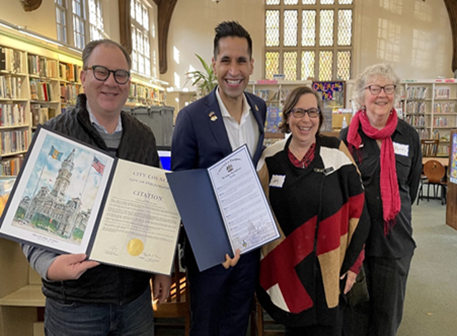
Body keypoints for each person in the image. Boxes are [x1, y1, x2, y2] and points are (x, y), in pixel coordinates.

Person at [22, 39, 171, 336]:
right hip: (74, 304)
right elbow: (25, 217)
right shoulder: (54, 135)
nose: (111, 83)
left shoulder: (142, 136)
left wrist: (161, 265)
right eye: (101, 72)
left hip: (133, 301)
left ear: (128, 82)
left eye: (120, 74)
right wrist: (50, 267)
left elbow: (155, 208)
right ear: (83, 76)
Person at [171, 21, 266, 336]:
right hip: (210, 254)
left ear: (252, 65)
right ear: (214, 64)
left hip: (249, 246)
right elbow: (185, 188)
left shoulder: (259, 109)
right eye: (226, 60)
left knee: (239, 322)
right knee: (207, 326)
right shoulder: (192, 117)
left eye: (241, 60)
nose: (233, 69)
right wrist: (215, 246)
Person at [256, 86, 370, 336]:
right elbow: (254, 209)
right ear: (286, 117)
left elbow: (359, 212)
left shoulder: (336, 153)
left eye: (312, 112)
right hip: (289, 277)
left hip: (330, 274)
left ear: (320, 117)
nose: (305, 119)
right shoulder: (271, 158)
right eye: (298, 112)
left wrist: (353, 265)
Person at [340, 63, 422, 336]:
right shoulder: (347, 138)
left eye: (388, 88)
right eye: (374, 88)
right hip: (356, 246)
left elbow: (410, 186)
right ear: (362, 95)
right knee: (354, 320)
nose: (382, 95)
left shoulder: (408, 135)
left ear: (395, 94)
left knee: (386, 322)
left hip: (394, 244)